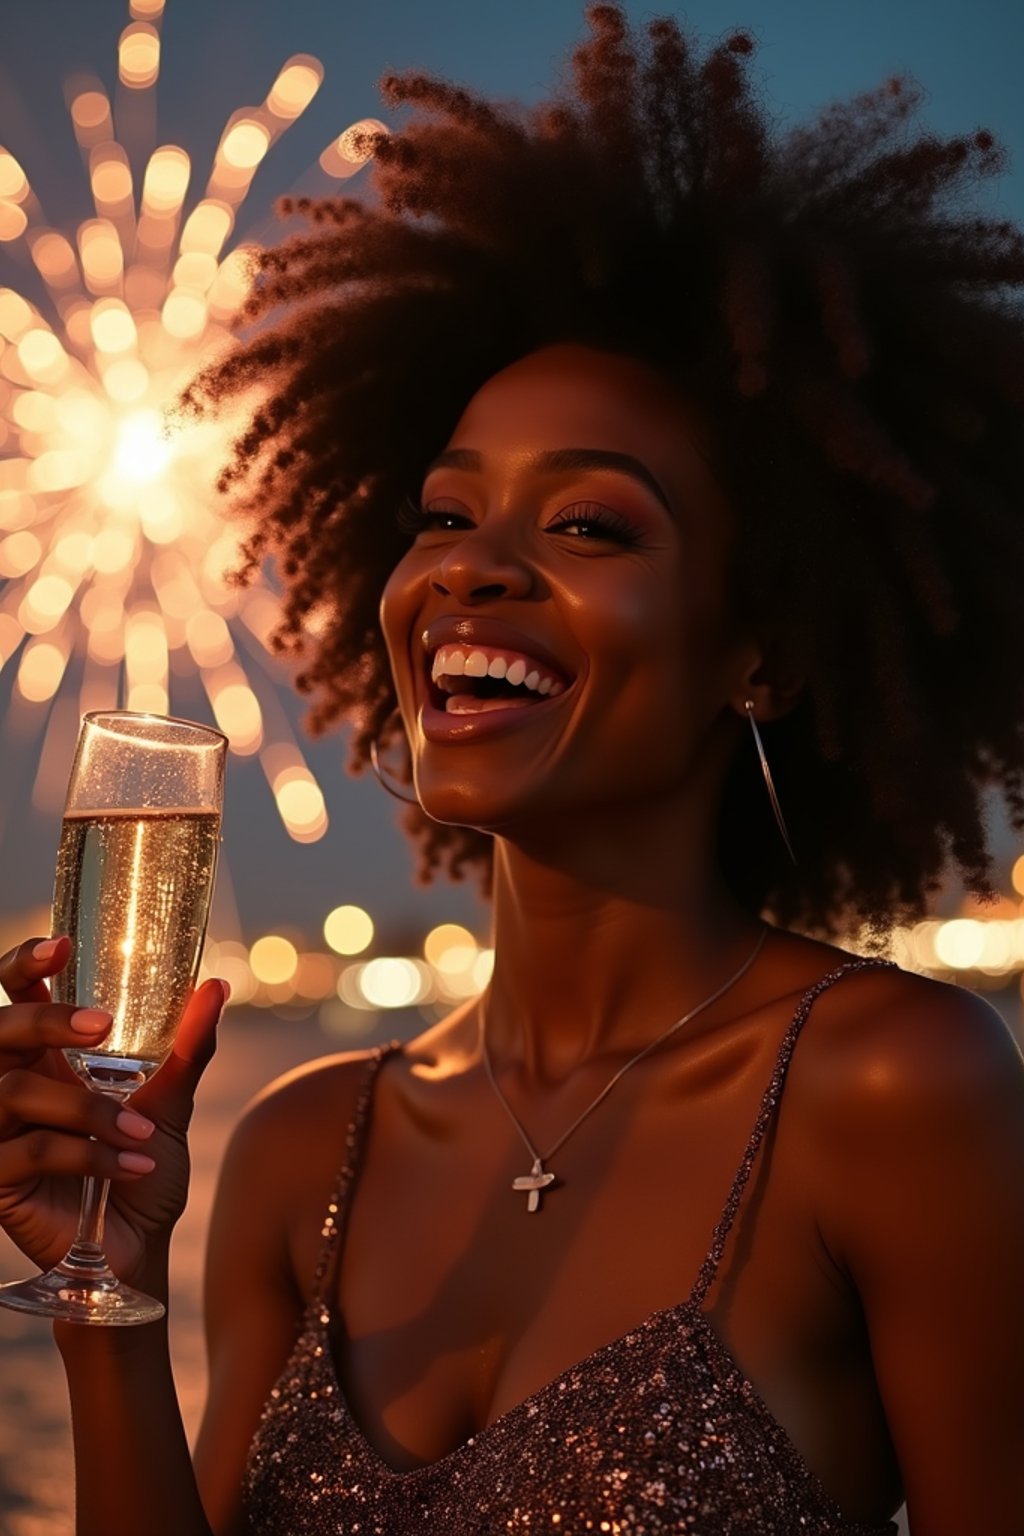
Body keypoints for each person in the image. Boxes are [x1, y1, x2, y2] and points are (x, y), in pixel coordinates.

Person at [2, 5, 1024, 1532]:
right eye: (442, 516)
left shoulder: (891, 1089)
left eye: (591, 525)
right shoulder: (298, 1149)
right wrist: (111, 1287)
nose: (471, 573)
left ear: (762, 656)